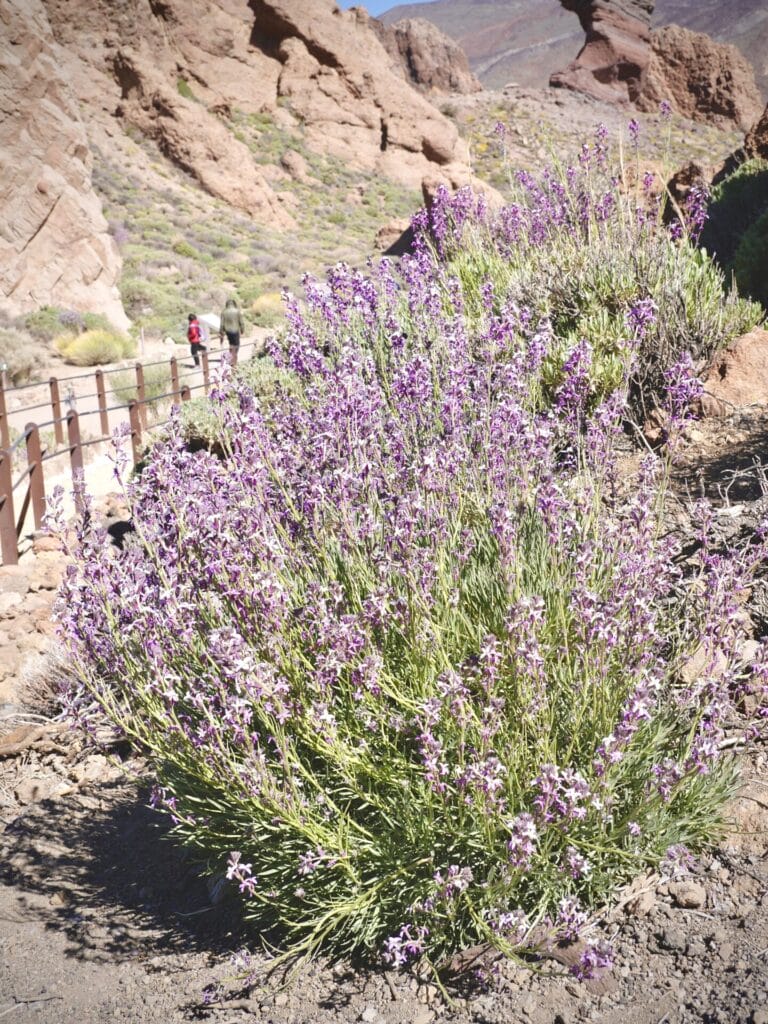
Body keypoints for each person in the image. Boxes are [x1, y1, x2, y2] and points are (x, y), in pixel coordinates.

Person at [219, 298, 245, 367]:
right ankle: (234, 357)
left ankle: (231, 356)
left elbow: (222, 324)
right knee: (237, 344)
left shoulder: (224, 312)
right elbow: (241, 322)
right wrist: (242, 330)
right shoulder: (237, 311)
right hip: (235, 330)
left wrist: (221, 332)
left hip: (228, 331)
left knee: (231, 343)